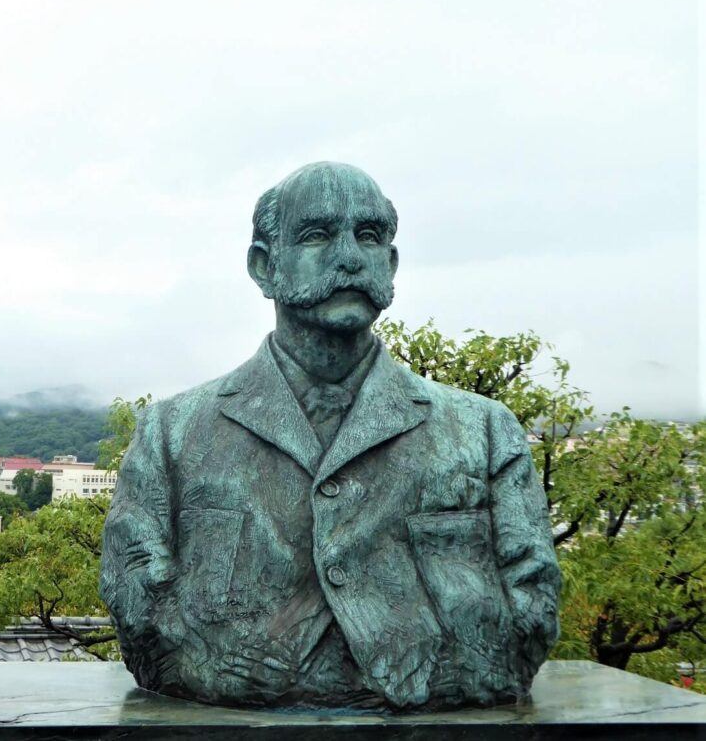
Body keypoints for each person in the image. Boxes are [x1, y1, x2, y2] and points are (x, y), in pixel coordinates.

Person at [99, 162, 560, 710]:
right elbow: (136, 597)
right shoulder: (171, 433)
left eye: (369, 237)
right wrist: (205, 660)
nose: (349, 256)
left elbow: (534, 601)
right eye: (317, 235)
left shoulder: (482, 429)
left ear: (391, 264)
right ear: (265, 267)